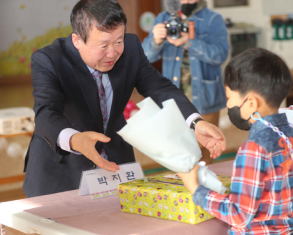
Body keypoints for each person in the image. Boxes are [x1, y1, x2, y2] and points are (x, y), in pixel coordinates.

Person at [23, 0, 226, 198]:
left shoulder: (130, 47)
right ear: (77, 40)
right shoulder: (49, 60)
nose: (113, 53)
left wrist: (195, 122)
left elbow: (159, 87)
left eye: (118, 41)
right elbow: (46, 111)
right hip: (63, 168)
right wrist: (75, 139)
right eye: (103, 45)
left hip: (115, 159)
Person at [178, 48, 293, 235]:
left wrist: (196, 189)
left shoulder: (254, 148)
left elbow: (239, 214)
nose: (228, 105)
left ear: (251, 103)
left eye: (229, 98)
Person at [142, 0, 229, 165]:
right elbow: (145, 56)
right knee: (177, 149)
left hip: (205, 97)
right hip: (173, 98)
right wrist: (155, 40)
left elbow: (220, 55)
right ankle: (184, 187)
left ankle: (203, 188)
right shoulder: (163, 18)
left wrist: (188, 42)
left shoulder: (213, 19)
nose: (187, 1)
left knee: (205, 148)